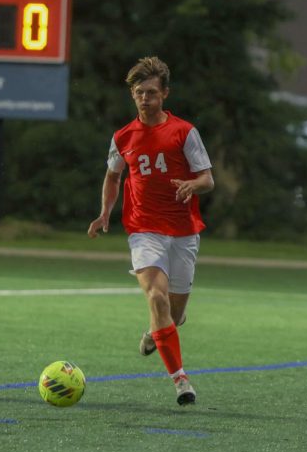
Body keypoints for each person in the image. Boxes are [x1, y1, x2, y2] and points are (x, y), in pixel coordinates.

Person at [88, 56, 214, 406]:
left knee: (174, 316)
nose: (146, 98)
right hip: (144, 229)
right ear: (133, 95)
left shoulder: (184, 132)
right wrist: (104, 213)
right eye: (140, 92)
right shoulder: (122, 137)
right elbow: (114, 176)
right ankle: (181, 381)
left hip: (184, 231)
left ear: (165, 95)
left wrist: (192, 185)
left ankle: (153, 333)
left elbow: (207, 178)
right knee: (155, 298)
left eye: (152, 93)